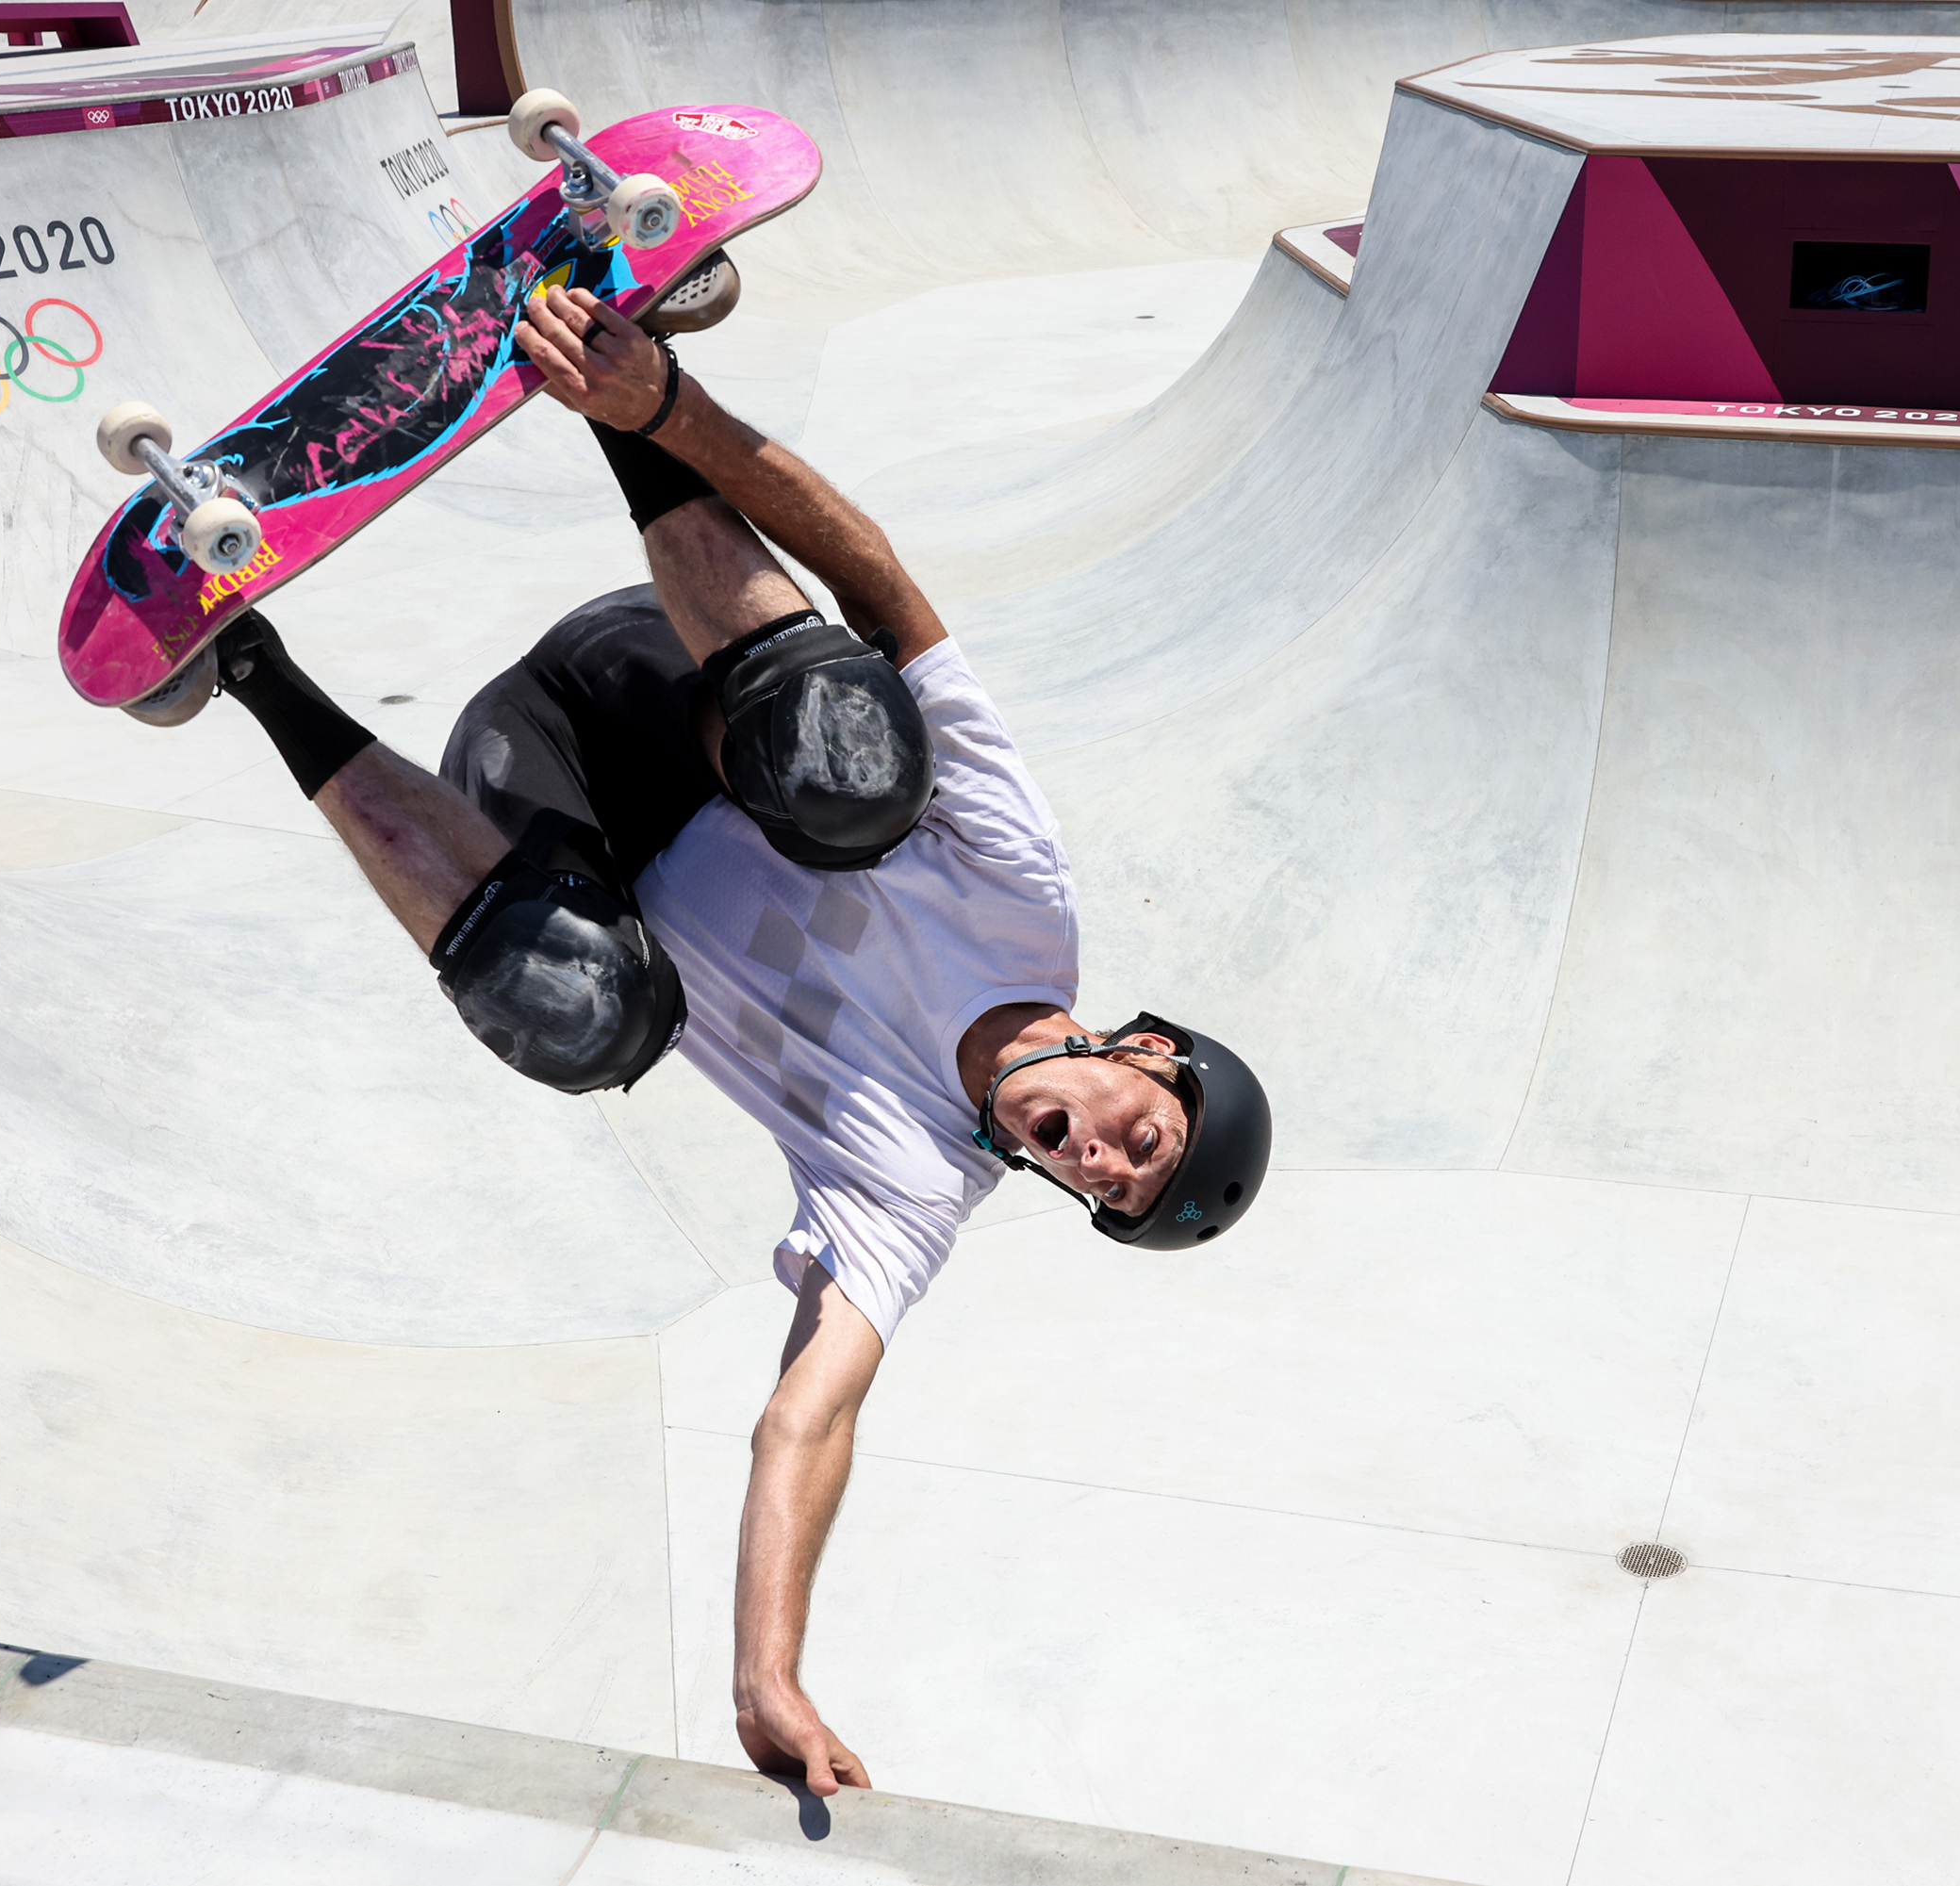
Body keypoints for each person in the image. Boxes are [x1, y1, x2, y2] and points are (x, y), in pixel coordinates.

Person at [179, 282, 1274, 1796]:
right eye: (1134, 1137)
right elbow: (880, 585)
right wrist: (663, 412)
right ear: (1145, 1050)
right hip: (672, 678)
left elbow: (802, 1422)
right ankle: (606, 388)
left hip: (537, 787)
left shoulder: (909, 1195)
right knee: (849, 770)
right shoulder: (1022, 897)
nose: (1091, 1158)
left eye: (1106, 1191)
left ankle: (242, 661)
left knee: (586, 1019)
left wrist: (768, 1671)